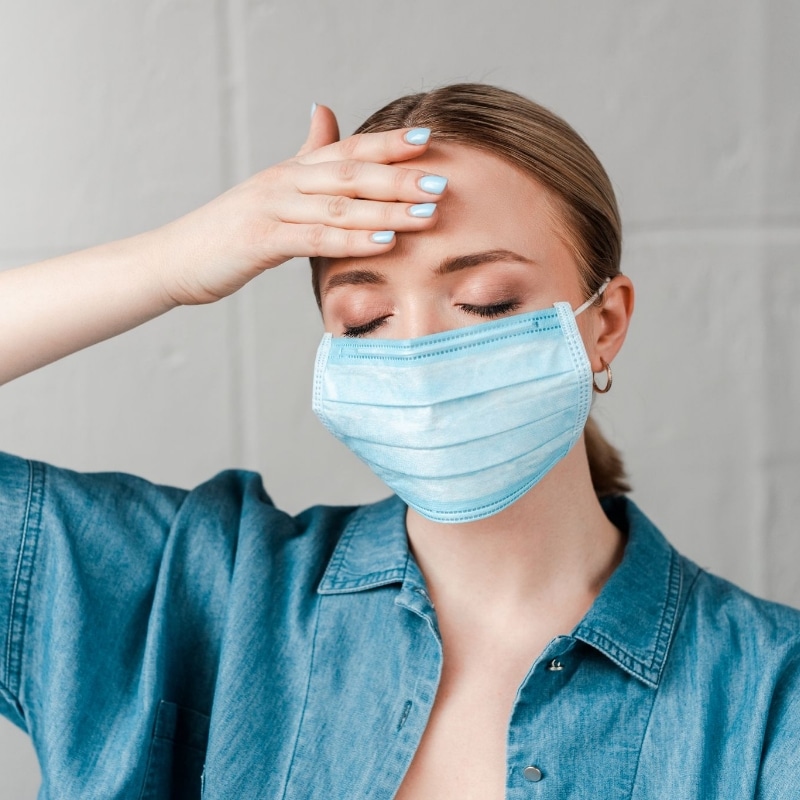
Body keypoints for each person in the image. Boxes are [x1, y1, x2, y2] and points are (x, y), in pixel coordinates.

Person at [0, 83, 797, 799]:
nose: (416, 352)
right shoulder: (202, 590)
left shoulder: (769, 695)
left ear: (604, 325)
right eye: (364, 319)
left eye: (484, 303)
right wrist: (171, 264)